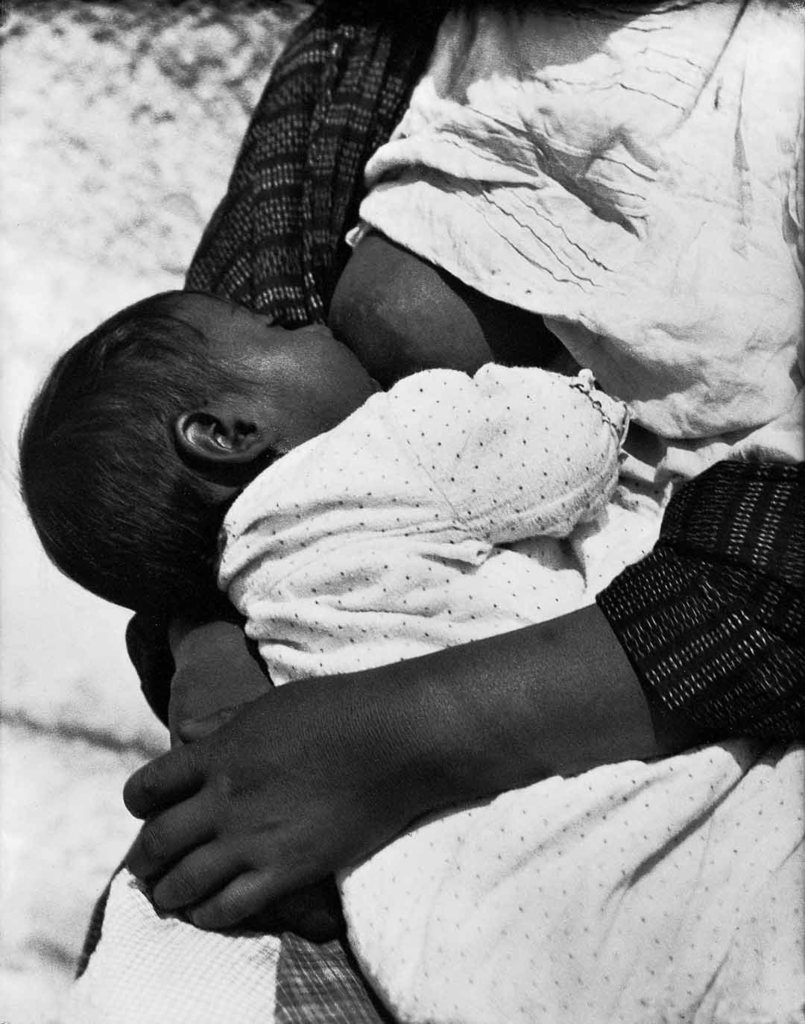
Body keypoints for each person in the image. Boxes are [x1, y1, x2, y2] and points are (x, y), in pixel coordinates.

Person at [68, 1, 804, 1022]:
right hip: (371, 819)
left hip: (698, 704)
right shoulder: (374, 43)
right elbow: (225, 358)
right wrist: (212, 643)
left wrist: (397, 736)